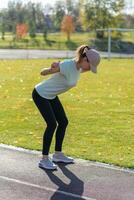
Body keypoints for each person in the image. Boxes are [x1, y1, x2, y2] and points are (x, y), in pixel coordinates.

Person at [32, 45, 101, 170]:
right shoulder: (67, 65)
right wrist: (51, 68)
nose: (90, 70)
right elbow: (42, 73)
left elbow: (79, 69)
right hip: (40, 94)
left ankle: (58, 154)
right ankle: (44, 159)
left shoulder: (80, 68)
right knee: (52, 124)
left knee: (63, 122)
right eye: (90, 66)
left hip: (51, 96)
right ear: (85, 60)